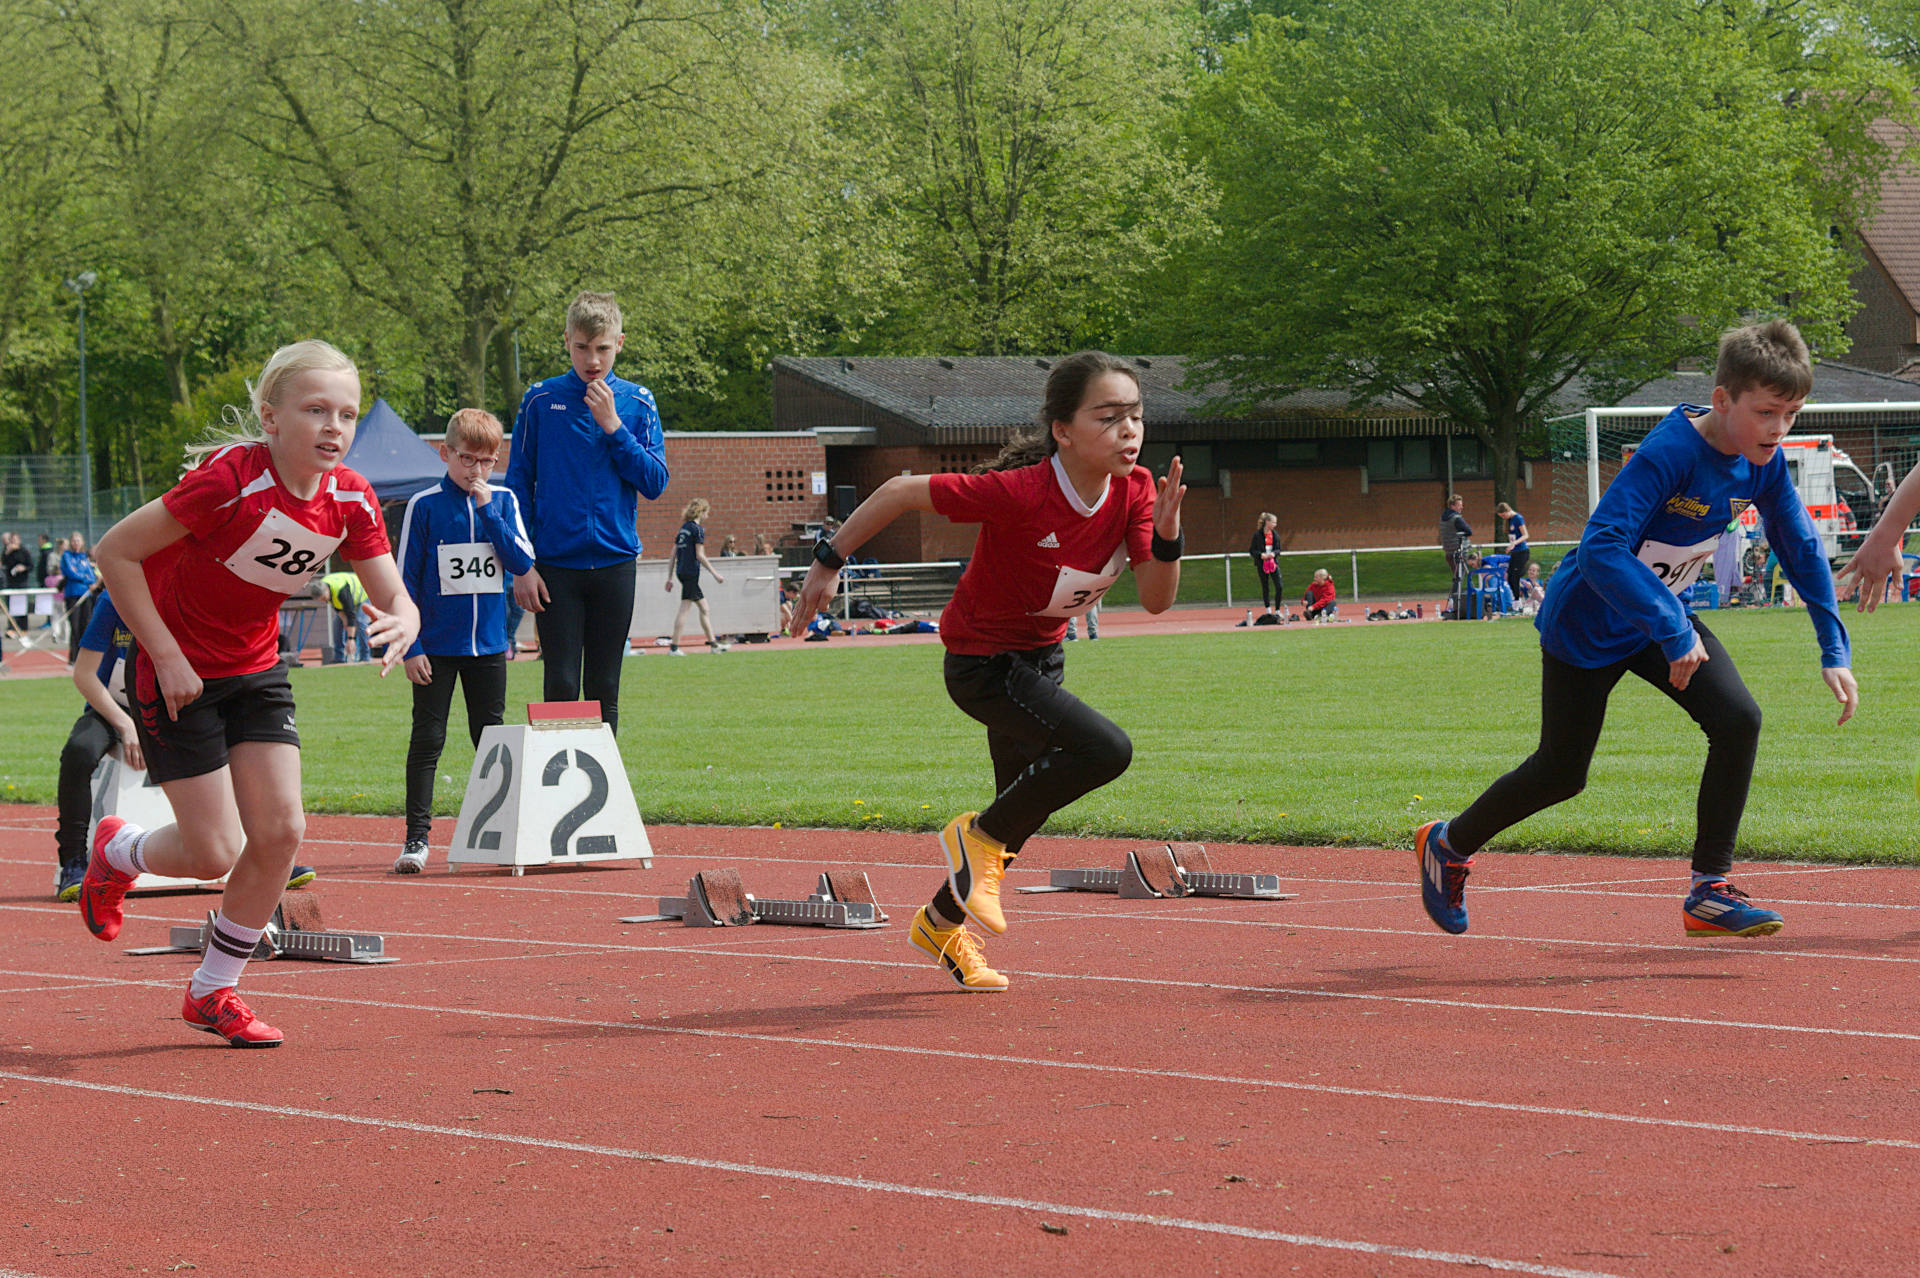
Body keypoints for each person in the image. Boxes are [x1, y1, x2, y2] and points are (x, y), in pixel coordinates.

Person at [1414, 320, 1856, 941]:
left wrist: (1833, 647)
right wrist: (1674, 628)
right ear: (1724, 400)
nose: (1779, 429)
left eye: (1791, 414)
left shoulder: (1763, 463)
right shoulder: (1670, 452)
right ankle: (1448, 843)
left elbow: (1801, 546)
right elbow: (1600, 548)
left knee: (1738, 720)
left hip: (1658, 617)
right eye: (1767, 413)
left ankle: (1709, 890)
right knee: (1562, 773)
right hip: (1589, 624)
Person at [792, 351, 1186, 992]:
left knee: (1016, 816)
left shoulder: (1140, 491)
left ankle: (940, 924)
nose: (1129, 430)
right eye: (1109, 416)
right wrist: (828, 559)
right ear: (1063, 429)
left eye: (1136, 416)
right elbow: (898, 491)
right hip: (983, 665)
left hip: (1040, 661)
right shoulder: (1021, 491)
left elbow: (1157, 598)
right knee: (1105, 750)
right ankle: (970, 838)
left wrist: (1167, 534)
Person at [82, 339, 418, 1048]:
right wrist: (165, 653)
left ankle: (213, 992)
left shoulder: (351, 498)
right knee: (212, 853)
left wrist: (404, 618)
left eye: (348, 414)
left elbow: (393, 591)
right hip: (179, 674)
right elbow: (114, 550)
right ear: (271, 418)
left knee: (281, 832)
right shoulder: (227, 482)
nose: (335, 426)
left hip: (257, 670)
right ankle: (118, 851)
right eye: (316, 409)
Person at [55, 593, 315, 901]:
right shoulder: (115, 600)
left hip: (175, 704)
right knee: (79, 752)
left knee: (243, 747)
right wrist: (126, 725)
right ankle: (73, 861)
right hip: (115, 710)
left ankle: (265, 855)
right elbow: (84, 674)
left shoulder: (191, 592)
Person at [506, 291, 669, 731]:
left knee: (604, 687)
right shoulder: (541, 401)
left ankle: (603, 796)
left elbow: (654, 482)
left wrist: (614, 427)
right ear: (566, 342)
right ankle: (556, 794)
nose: (592, 359)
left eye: (602, 347)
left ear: (620, 343)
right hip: (555, 566)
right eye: (582, 347)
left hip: (616, 563)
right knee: (559, 683)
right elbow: (516, 487)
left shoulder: (638, 402)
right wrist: (522, 565)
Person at [393, 408, 535, 873]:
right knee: (428, 738)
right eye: (468, 459)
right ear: (446, 454)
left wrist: (488, 510)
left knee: (491, 741)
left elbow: (518, 562)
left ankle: (501, 833)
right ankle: (417, 839)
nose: (477, 470)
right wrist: (410, 647)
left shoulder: (506, 500)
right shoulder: (425, 505)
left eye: (487, 461)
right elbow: (404, 583)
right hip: (434, 648)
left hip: (489, 647)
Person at [666, 497, 728, 655]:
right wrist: (716, 574)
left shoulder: (683, 529)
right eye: (707, 512)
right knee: (685, 609)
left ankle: (713, 645)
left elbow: (673, 554)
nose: (708, 515)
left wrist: (670, 577)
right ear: (702, 512)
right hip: (691, 573)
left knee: (704, 608)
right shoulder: (697, 530)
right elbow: (700, 555)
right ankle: (674, 647)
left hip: (682, 572)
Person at [318, 569, 371, 663]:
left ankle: (365, 656)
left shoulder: (341, 591)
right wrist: (345, 621)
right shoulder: (326, 589)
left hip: (365, 593)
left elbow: (350, 614)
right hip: (350, 599)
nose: (324, 600)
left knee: (360, 621)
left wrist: (351, 639)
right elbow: (339, 610)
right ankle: (339, 657)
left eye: (323, 598)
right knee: (336, 623)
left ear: (326, 590)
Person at [61, 532, 99, 664]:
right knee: (75, 627)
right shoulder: (66, 556)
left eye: (78, 540)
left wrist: (89, 580)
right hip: (73, 595)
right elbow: (71, 573)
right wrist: (85, 579)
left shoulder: (84, 558)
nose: (76, 543)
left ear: (82, 542)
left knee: (86, 625)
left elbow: (91, 575)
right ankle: (73, 658)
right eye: (74, 540)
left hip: (86, 595)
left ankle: (85, 659)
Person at [1248, 512, 1282, 617]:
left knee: (1279, 586)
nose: (1275, 525)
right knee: (1265, 586)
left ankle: (1277, 609)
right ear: (1267, 522)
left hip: (1273, 563)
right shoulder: (1257, 535)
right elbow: (1252, 550)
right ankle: (1268, 609)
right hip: (1262, 564)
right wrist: (1260, 555)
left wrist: (1273, 554)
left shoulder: (1275, 535)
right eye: (1273, 522)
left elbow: (1278, 549)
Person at [1495, 501, 1530, 597]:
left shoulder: (1518, 518)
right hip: (1515, 552)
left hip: (1522, 551)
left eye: (1503, 515)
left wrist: (1514, 543)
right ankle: (1516, 600)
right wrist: (1510, 546)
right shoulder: (1509, 520)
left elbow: (1525, 535)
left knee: (1515, 577)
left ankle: (1518, 599)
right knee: (1510, 577)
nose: (1503, 518)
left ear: (1507, 511)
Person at [1438, 495, 1473, 580]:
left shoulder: (1443, 518)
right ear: (1453, 506)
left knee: (1457, 575)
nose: (1462, 507)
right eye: (1459, 505)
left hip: (1448, 550)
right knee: (1460, 575)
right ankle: (1457, 592)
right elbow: (1469, 531)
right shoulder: (1456, 518)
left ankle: (1456, 592)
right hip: (1459, 550)